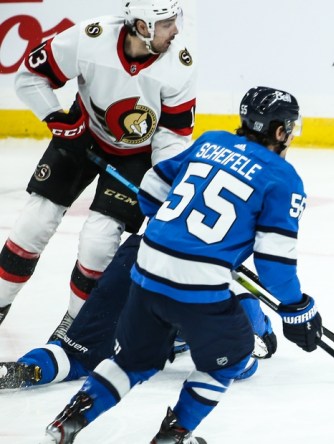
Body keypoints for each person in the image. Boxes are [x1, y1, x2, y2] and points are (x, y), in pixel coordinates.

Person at [42, 86, 323, 443]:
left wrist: (179, 235)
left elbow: (151, 188)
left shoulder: (211, 141)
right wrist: (298, 307)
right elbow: (273, 263)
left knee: (132, 361)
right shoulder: (284, 178)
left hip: (145, 267)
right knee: (233, 360)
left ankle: (69, 419)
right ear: (281, 131)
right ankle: (174, 436)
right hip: (198, 286)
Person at [0, 0, 196, 342]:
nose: (176, 30)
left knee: (98, 240)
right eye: (166, 23)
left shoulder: (179, 65)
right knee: (34, 222)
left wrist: (166, 180)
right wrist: (55, 117)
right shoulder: (92, 38)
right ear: (142, 26)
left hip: (138, 155)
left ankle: (78, 330)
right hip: (81, 135)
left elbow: (173, 135)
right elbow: (31, 77)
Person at [0, 234, 277, 391]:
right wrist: (263, 329)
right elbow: (237, 359)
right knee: (235, 362)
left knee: (77, 355)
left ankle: (32, 367)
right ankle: (177, 334)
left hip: (137, 253)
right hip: (183, 283)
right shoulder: (219, 272)